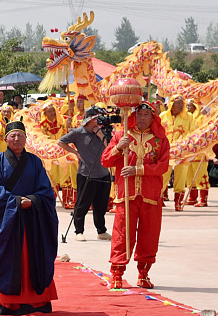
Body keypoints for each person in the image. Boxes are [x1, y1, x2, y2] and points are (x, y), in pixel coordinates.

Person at [0, 120, 59, 315]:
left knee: (31, 257)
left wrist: (32, 200)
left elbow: (45, 191)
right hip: (6, 221)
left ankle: (34, 300)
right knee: (4, 257)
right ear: (5, 139)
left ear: (25, 139)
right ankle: (3, 300)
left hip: (31, 220)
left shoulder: (34, 162)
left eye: (20, 136)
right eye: (12, 136)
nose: (16, 139)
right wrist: (15, 202)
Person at [101, 102, 170, 289]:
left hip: (151, 194)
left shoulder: (160, 139)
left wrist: (138, 170)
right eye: (139, 114)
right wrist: (117, 148)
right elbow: (105, 161)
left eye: (146, 115)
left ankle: (144, 274)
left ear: (153, 117)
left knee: (150, 235)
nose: (141, 118)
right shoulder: (121, 135)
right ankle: (116, 274)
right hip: (127, 194)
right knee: (122, 235)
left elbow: (163, 166)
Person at [57, 107, 113, 242]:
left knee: (101, 205)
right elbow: (60, 142)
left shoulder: (103, 132)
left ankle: (101, 230)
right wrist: (75, 153)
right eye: (96, 118)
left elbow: (110, 148)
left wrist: (101, 135)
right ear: (89, 119)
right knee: (83, 203)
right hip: (86, 173)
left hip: (103, 173)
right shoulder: (78, 132)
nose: (98, 121)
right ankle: (79, 231)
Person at [159, 96, 195, 210]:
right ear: (171, 104)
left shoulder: (189, 116)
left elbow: (194, 132)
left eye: (182, 103)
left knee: (181, 177)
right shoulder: (163, 116)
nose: (180, 105)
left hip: (182, 152)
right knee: (162, 176)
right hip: (165, 151)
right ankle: (158, 201)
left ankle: (178, 204)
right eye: (177, 103)